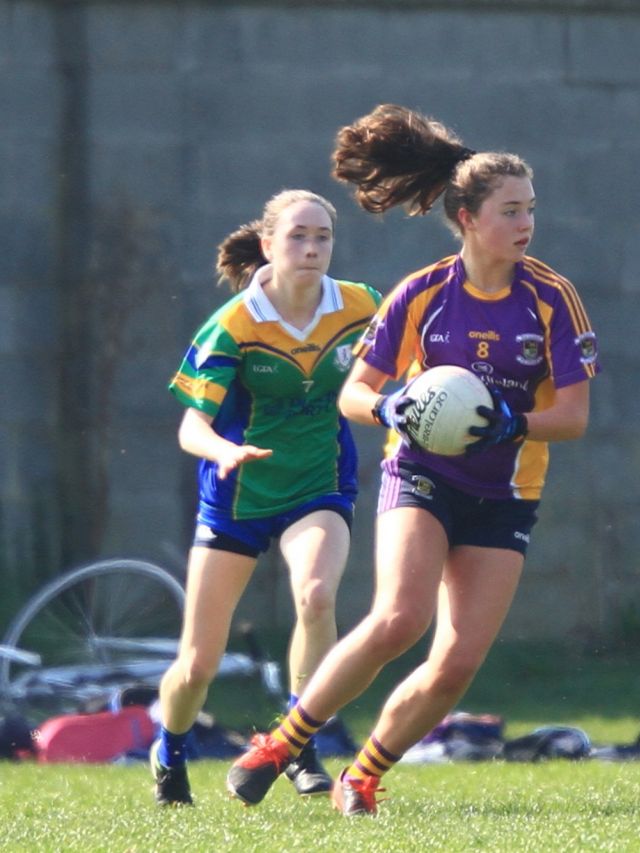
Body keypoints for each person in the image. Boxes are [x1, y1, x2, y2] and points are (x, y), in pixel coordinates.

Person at [226, 104, 600, 816]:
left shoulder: (552, 298)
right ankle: (280, 743)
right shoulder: (422, 293)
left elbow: (574, 418)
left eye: (532, 209)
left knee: (456, 663)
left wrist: (512, 423)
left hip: (506, 488)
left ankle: (361, 774)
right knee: (399, 617)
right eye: (510, 210)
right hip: (421, 473)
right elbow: (355, 395)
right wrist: (393, 408)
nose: (526, 224)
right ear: (467, 217)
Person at [152, 190, 381, 806]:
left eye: (323, 237)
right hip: (237, 494)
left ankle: (297, 739)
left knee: (316, 595)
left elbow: (407, 365)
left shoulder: (361, 306)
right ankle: (169, 750)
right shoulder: (233, 324)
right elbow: (191, 427)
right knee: (198, 664)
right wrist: (222, 450)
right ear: (268, 245)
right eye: (298, 236)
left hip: (319, 483)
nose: (312, 249)